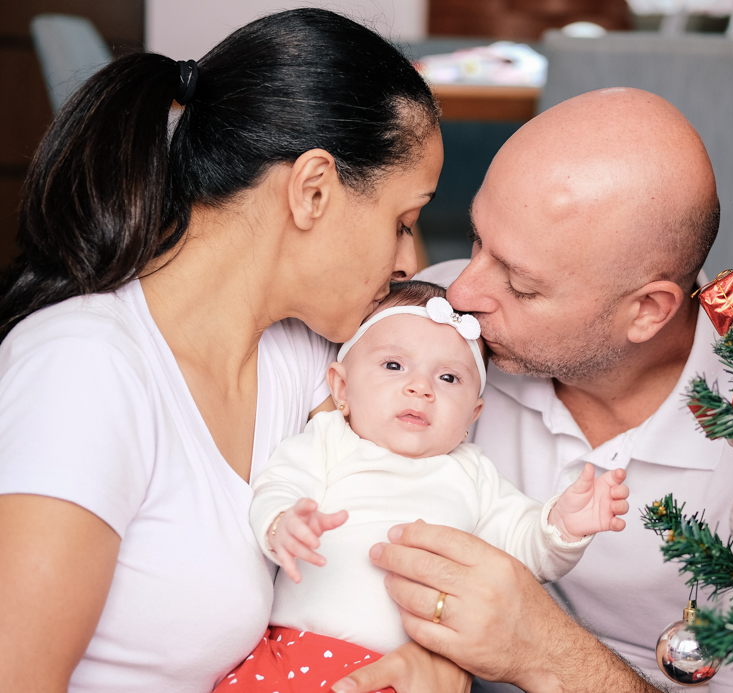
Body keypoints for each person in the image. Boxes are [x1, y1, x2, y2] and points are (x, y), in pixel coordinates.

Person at [0, 9, 470, 693]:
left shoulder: (306, 359)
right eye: (402, 223)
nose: (407, 259)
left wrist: (435, 664)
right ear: (312, 190)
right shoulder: (85, 372)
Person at [337, 88, 733, 693]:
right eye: (476, 240)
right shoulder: (424, 335)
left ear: (647, 310)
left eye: (521, 285)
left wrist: (549, 655)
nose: (459, 294)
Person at [214, 281, 630, 691]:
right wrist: (282, 523)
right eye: (394, 366)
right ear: (341, 387)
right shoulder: (329, 439)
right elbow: (280, 482)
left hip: (416, 678)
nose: (420, 387)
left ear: (473, 415)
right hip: (296, 655)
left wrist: (562, 525)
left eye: (449, 378)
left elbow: (524, 550)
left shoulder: (473, 474)